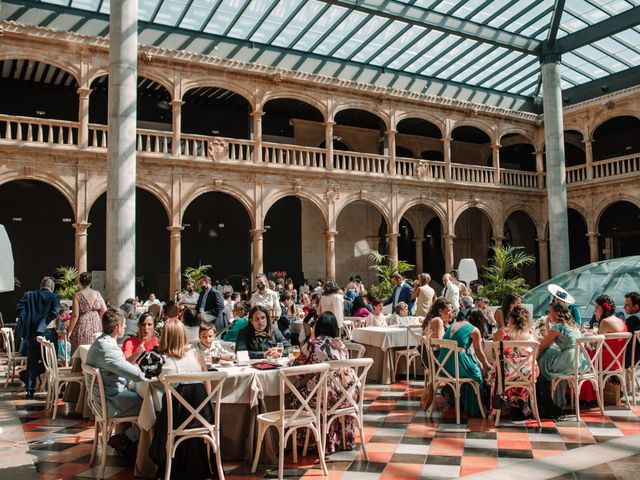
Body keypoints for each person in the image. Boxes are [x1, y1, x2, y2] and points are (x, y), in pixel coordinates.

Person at [150, 319, 216, 479]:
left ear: (165, 337)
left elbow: (158, 384)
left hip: (177, 420)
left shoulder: (164, 362)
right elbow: (208, 389)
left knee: (160, 416)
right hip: (203, 417)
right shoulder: (197, 356)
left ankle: (164, 466)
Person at [290, 312, 358, 453]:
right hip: (349, 395)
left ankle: (307, 441)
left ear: (317, 327)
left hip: (327, 397)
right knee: (320, 389)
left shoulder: (313, 344)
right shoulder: (342, 344)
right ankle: (340, 440)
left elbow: (296, 371)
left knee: (294, 396)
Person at [85, 307, 147, 418]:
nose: (126, 326)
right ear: (118, 327)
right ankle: (131, 435)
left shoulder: (99, 343)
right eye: (124, 324)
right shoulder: (108, 349)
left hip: (100, 400)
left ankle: (124, 434)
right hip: (111, 403)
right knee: (151, 405)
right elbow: (137, 376)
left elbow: (122, 366)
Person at [437, 308, 491, 417]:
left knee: (473, 368)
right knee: (477, 375)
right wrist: (487, 366)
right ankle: (476, 409)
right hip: (456, 366)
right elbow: (479, 352)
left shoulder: (454, 324)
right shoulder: (474, 330)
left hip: (443, 366)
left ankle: (463, 403)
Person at [538, 301, 588, 412]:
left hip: (568, 361)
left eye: (549, 312)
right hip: (580, 362)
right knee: (549, 353)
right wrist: (547, 326)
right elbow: (551, 340)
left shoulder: (558, 326)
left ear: (556, 314)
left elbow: (543, 345)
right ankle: (552, 402)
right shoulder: (573, 325)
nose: (548, 314)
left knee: (542, 359)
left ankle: (545, 402)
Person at [16, 276, 61, 399]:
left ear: (41, 286)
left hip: (32, 334)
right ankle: (26, 376)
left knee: (32, 361)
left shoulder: (29, 295)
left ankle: (30, 390)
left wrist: (28, 322)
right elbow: (55, 311)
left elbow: (20, 308)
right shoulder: (54, 297)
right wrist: (42, 324)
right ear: (52, 287)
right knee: (52, 361)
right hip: (48, 333)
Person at [491, 305, 539, 416]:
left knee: (496, 372)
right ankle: (519, 399)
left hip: (506, 374)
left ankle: (505, 405)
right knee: (528, 370)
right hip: (528, 374)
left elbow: (494, 355)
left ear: (510, 318)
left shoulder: (502, 332)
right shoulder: (532, 333)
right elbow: (535, 356)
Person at [581, 294, 628, 402]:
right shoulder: (620, 321)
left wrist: (589, 339)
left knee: (580, 358)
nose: (595, 311)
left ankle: (583, 396)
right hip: (617, 361)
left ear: (603, 308)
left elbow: (597, 345)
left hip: (604, 362)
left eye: (596, 308)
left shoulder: (605, 322)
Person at [67, 271, 107, 353]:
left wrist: (70, 331)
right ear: (91, 282)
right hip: (96, 323)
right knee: (94, 347)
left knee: (81, 348)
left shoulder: (77, 295)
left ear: (80, 282)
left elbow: (75, 315)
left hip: (83, 323)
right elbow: (104, 310)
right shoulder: (97, 293)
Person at [624, 292, 640, 368]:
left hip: (630, 359)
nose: (624, 307)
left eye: (627, 305)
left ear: (636, 307)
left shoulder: (632, 320)